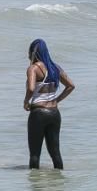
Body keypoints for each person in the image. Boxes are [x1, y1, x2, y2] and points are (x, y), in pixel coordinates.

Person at [24, 39, 75, 169]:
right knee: (55, 153)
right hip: (54, 113)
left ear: (33, 52)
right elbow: (71, 86)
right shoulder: (55, 68)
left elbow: (30, 89)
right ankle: (59, 186)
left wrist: (26, 102)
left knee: (35, 154)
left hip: (38, 113)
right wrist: (56, 101)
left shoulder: (33, 69)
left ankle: (35, 187)